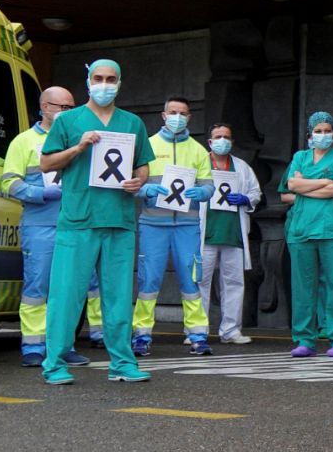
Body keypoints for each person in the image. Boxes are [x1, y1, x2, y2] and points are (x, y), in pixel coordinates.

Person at [37, 59, 154, 385]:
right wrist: (79, 146)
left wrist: (137, 180)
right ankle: (55, 363)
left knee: (118, 297)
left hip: (118, 221)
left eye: (111, 78)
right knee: (66, 295)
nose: (105, 84)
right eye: (99, 78)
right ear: (88, 81)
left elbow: (143, 165)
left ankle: (122, 363)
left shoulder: (132, 123)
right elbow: (46, 163)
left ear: (120, 82)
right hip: (78, 221)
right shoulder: (69, 121)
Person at [2, 86, 90, 368]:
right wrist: (40, 194)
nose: (66, 112)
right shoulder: (23, 142)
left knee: (69, 288)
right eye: (60, 107)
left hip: (73, 223)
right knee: (37, 286)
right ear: (43, 107)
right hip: (40, 224)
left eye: (70, 107)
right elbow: (9, 183)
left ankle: (64, 346)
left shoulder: (78, 140)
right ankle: (33, 346)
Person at [133, 96, 214, 356]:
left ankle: (198, 335)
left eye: (182, 113)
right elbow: (130, 184)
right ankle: (141, 335)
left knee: (191, 280)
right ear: (163, 115)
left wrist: (203, 193)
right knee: (149, 281)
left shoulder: (199, 150)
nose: (177, 116)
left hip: (187, 225)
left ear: (189, 118)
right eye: (172, 112)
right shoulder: (147, 145)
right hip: (153, 223)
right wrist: (145, 189)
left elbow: (209, 185)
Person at [279, 111, 333, 358]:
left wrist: (307, 186)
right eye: (318, 131)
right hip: (301, 229)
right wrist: (325, 182)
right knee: (303, 288)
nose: (323, 135)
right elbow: (291, 186)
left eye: (327, 131)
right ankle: (304, 339)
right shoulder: (300, 157)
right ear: (309, 135)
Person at [199, 122, 264, 345]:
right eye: (218, 136)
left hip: (233, 233)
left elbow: (255, 192)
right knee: (200, 282)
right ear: (209, 141)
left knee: (234, 282)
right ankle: (198, 331)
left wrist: (247, 199)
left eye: (226, 137)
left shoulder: (242, 167)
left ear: (232, 142)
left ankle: (231, 330)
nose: (222, 141)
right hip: (205, 233)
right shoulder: (199, 163)